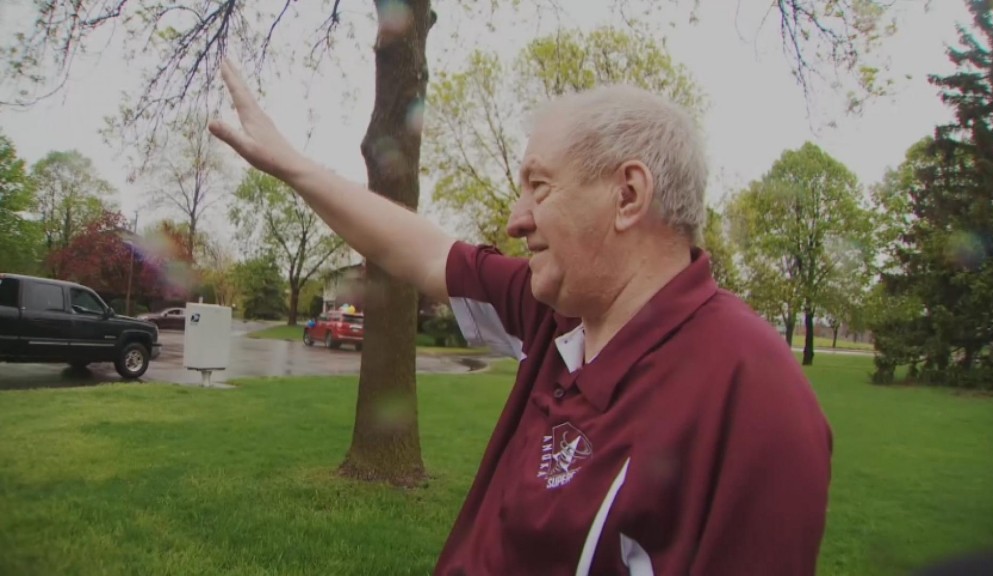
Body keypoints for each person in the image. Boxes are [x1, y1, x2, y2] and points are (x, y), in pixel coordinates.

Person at [209, 60, 832, 575]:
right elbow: (421, 250)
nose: (515, 219)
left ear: (627, 196)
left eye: (539, 186)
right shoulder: (555, 317)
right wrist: (293, 167)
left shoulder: (752, 396)